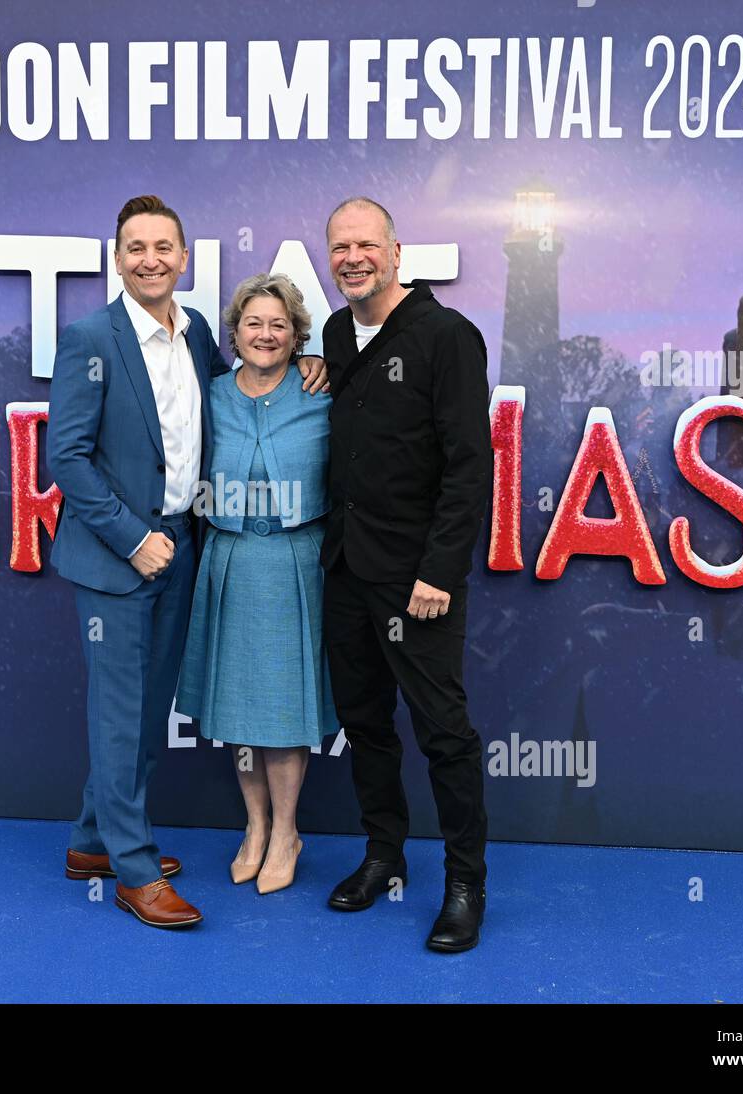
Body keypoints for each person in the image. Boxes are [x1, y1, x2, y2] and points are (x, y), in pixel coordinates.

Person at [46, 195, 327, 930]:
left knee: (142, 715)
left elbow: (245, 387)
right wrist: (132, 539)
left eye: (163, 247)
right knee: (118, 717)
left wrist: (311, 359)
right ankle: (134, 870)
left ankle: (90, 841)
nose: (150, 259)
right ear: (117, 257)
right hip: (118, 558)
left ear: (183, 259)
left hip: (183, 552)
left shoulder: (198, 331)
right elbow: (66, 458)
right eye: (136, 247)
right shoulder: (89, 340)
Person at [319, 196, 493, 952]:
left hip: (418, 579)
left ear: (396, 252)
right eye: (339, 247)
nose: (352, 257)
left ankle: (464, 886)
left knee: (443, 734)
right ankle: (384, 857)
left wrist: (439, 573)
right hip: (346, 570)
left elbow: (469, 465)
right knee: (365, 726)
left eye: (366, 244)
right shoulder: (333, 331)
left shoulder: (447, 336)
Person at [176, 274, 338, 895]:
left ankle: (287, 833)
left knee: (284, 712)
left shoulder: (322, 388)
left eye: (279, 325)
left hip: (297, 562)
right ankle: (255, 828)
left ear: (297, 335)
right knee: (237, 711)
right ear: (234, 334)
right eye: (253, 324)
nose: (265, 335)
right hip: (231, 560)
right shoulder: (209, 394)